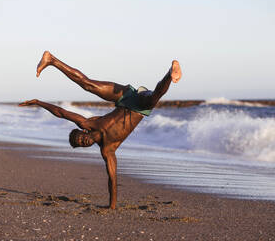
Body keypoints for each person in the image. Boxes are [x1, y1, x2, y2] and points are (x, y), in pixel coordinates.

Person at [19, 51, 182, 209]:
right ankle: (170, 73)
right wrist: (112, 205)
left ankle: (51, 59)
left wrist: (39, 102)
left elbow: (62, 113)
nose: (84, 141)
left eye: (81, 138)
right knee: (153, 98)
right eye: (82, 144)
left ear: (83, 132)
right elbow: (112, 178)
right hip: (139, 107)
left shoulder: (89, 124)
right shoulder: (108, 150)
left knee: (88, 84)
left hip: (125, 97)